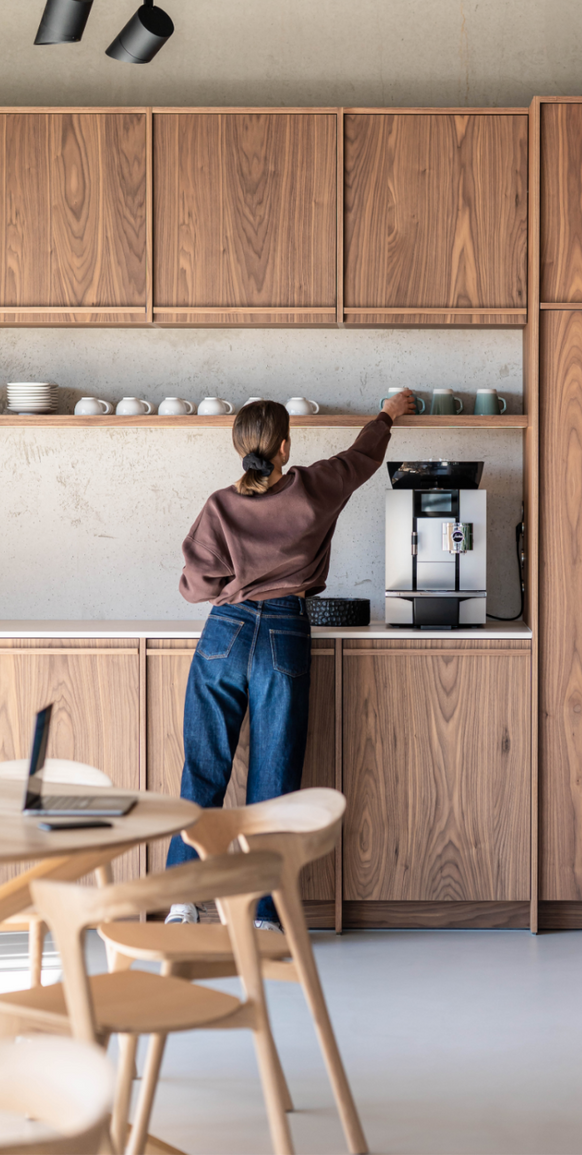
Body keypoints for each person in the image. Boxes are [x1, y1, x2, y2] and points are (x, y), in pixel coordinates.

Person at [165, 389, 416, 927]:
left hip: (224, 635)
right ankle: (264, 915)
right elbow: (362, 458)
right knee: (274, 782)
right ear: (284, 447)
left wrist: (233, 578)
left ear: (240, 448)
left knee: (203, 771)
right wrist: (387, 414)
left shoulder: (220, 505)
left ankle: (183, 904)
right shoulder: (311, 489)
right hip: (284, 630)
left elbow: (193, 587)